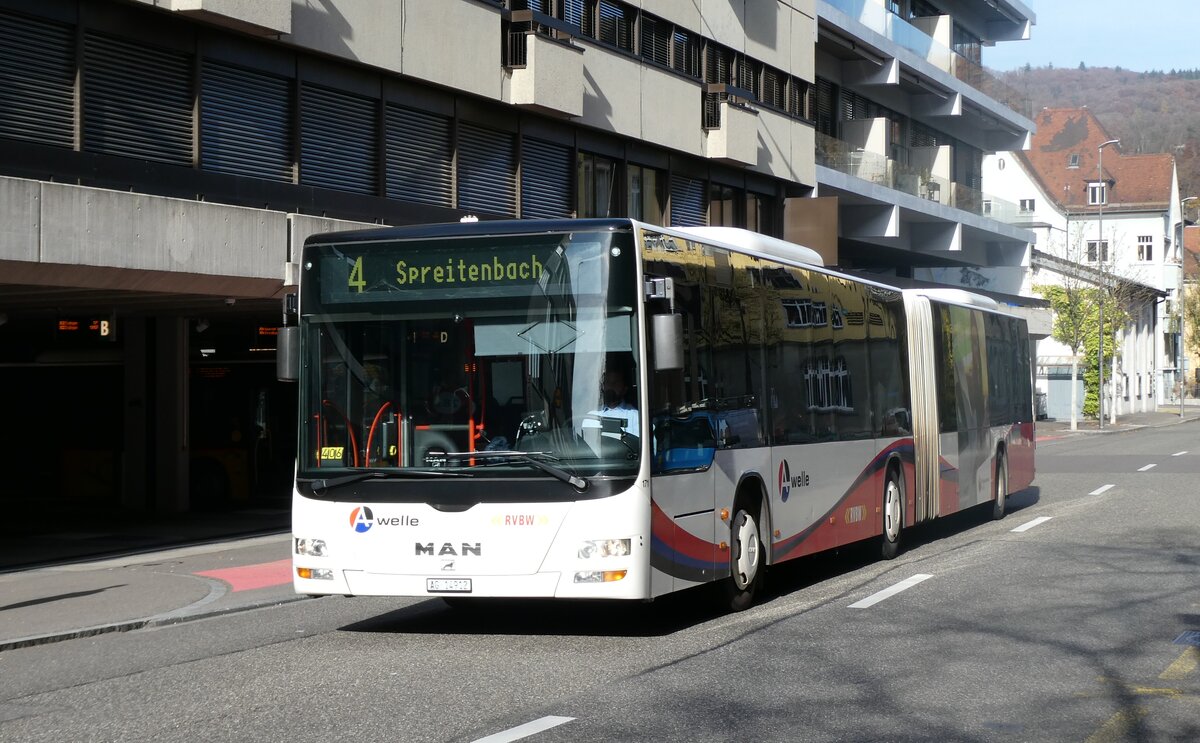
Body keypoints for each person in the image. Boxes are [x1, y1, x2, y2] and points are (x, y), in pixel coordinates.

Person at [588, 368, 639, 436]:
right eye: (607, 382)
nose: (610, 386)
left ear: (624, 389)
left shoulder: (635, 416)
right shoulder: (592, 415)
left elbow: (639, 445)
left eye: (616, 382)